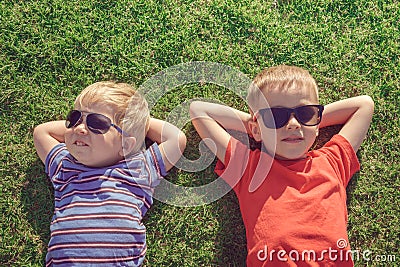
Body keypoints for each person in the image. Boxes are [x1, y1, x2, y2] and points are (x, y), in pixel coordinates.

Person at [190, 65, 374, 266]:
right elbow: (199, 111)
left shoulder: (332, 161)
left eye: (305, 113)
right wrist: (260, 127)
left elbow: (364, 105)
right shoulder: (249, 168)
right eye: (275, 116)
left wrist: (309, 124)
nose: (294, 124)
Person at [33, 81, 186, 266]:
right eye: (74, 118)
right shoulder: (65, 165)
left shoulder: (137, 169)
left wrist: (136, 124)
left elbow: (176, 139)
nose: (80, 128)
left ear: (127, 145)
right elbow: (41, 132)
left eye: (97, 123)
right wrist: (86, 121)